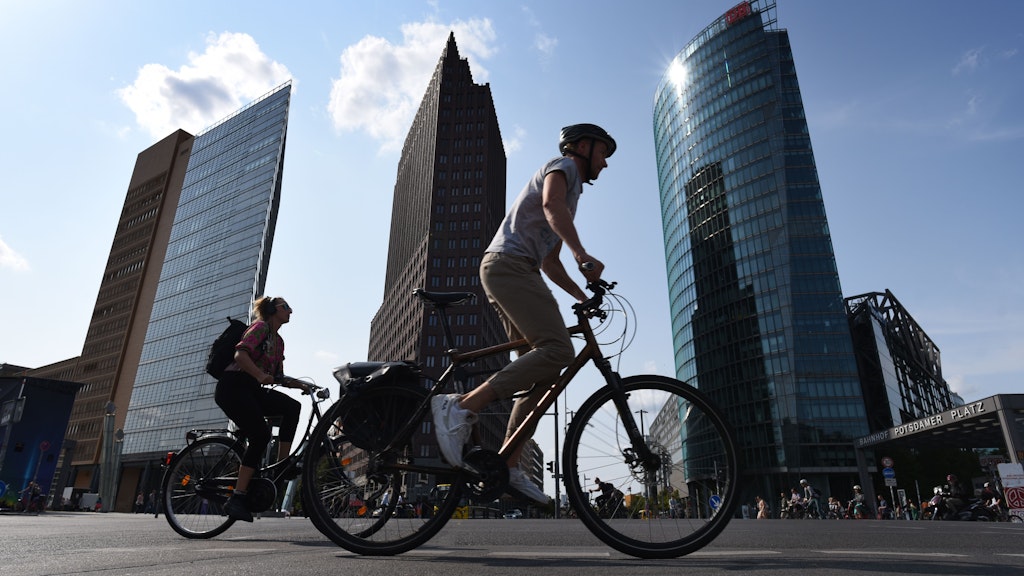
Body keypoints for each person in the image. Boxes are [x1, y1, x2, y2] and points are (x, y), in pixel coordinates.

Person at [431, 124, 616, 503]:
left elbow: (549, 261)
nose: (605, 163)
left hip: (519, 268)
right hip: (509, 266)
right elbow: (551, 206)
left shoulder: (572, 195)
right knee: (559, 351)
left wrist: (580, 295)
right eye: (603, 153)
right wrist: (583, 256)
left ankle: (510, 464)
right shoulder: (561, 167)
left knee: (542, 374)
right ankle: (462, 406)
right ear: (583, 146)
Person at [215, 296, 309, 522]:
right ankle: (236, 498)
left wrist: (304, 385)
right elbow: (240, 354)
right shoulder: (260, 328)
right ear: (271, 309)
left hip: (252, 391)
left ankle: (282, 466)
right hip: (233, 386)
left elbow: (278, 377)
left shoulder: (278, 341)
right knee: (260, 436)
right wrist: (259, 375)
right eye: (286, 307)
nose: (291, 311)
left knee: (292, 407)